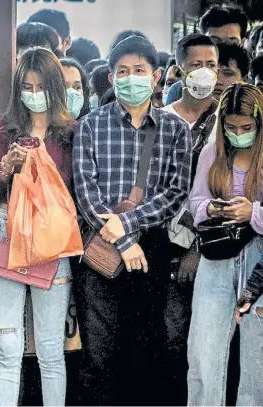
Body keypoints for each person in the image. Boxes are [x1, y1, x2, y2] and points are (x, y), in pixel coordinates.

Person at [73, 35, 191, 406]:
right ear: (110, 78)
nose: (130, 78)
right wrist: (123, 241)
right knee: (99, 348)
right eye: (122, 71)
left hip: (152, 246)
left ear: (156, 77)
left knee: (147, 345)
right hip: (101, 247)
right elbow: (85, 191)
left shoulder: (175, 130)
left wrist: (128, 224)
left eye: (139, 70)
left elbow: (176, 191)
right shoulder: (92, 125)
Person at [0, 47, 76, 407]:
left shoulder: (69, 133)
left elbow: (74, 191)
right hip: (9, 231)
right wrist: (8, 166)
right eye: (27, 86)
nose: (33, 94)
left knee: (51, 350)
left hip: (52, 239)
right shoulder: (5, 131)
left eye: (41, 87)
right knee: (8, 347)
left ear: (55, 89)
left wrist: (43, 168)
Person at [187, 83, 263, 407]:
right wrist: (213, 208)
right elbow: (195, 202)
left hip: (258, 260)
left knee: (257, 362)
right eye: (231, 127)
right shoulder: (212, 152)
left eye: (246, 128)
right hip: (217, 256)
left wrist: (253, 211)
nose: (238, 133)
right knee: (204, 355)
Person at [158, 32, 220, 406]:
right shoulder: (160, 121)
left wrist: (198, 248)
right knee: (169, 337)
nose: (204, 73)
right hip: (162, 246)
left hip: (213, 248)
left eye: (211, 65)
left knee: (208, 344)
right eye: (196, 65)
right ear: (180, 69)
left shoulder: (227, 123)